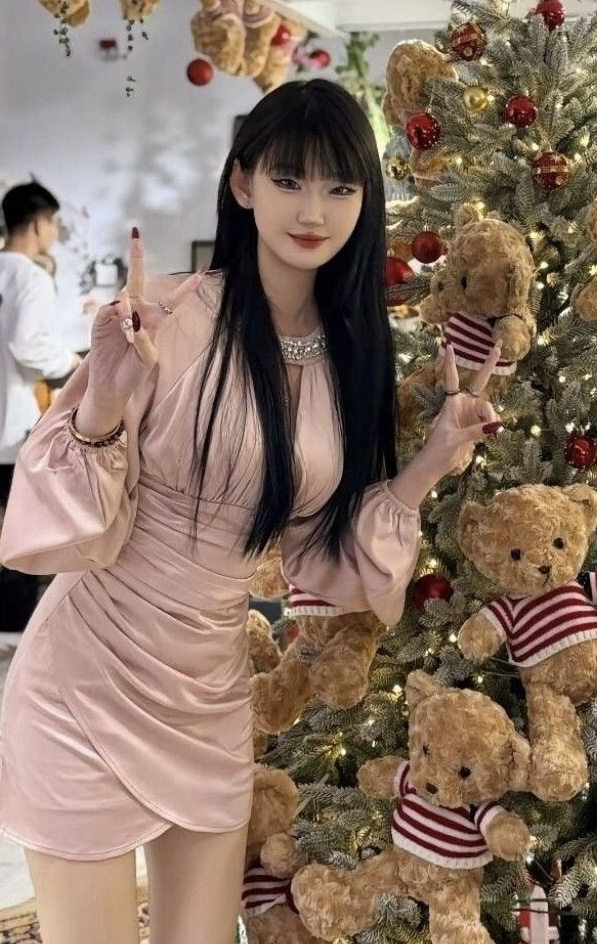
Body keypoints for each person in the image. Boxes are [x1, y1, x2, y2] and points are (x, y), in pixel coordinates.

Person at [0, 80, 501, 944]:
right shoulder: (167, 316)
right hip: (86, 680)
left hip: (208, 695)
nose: (313, 210)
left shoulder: (353, 359)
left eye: (340, 186)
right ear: (242, 184)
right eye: (289, 179)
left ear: (364, 201)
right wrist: (103, 402)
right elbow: (69, 524)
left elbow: (317, 559)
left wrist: (430, 463)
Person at [0, 182, 81, 632]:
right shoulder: (30, 277)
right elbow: (28, 346)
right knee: (20, 530)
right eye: (53, 223)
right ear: (37, 224)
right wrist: (70, 361)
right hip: (11, 426)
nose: (54, 232)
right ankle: (14, 631)